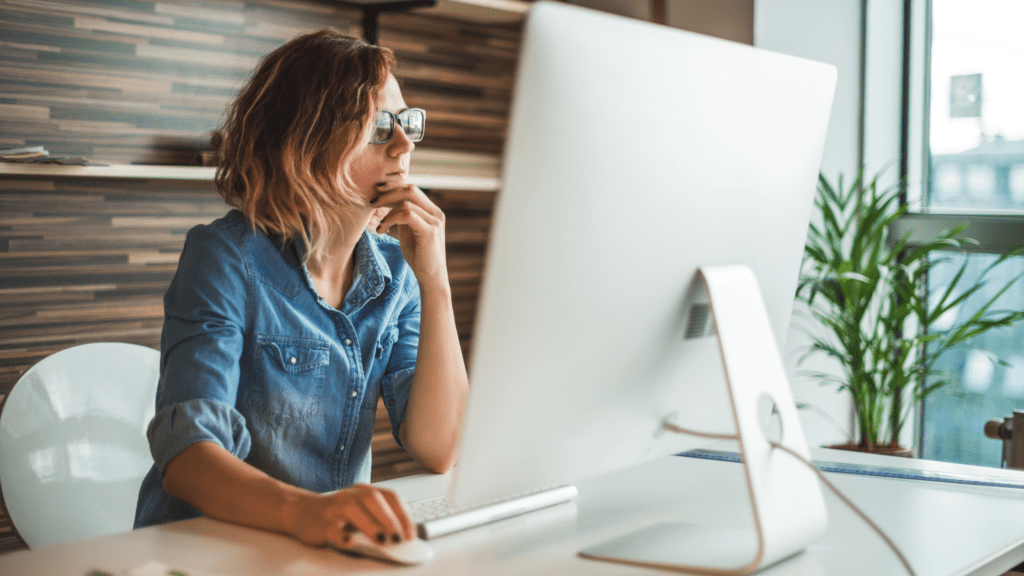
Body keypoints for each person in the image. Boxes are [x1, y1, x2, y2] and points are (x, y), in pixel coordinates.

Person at [134, 29, 469, 551]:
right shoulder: (224, 258)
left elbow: (439, 447)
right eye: (381, 126)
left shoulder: (399, 274)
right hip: (207, 549)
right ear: (307, 140)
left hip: (321, 548)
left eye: (407, 123)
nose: (405, 145)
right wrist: (306, 512)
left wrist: (436, 281)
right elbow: (188, 457)